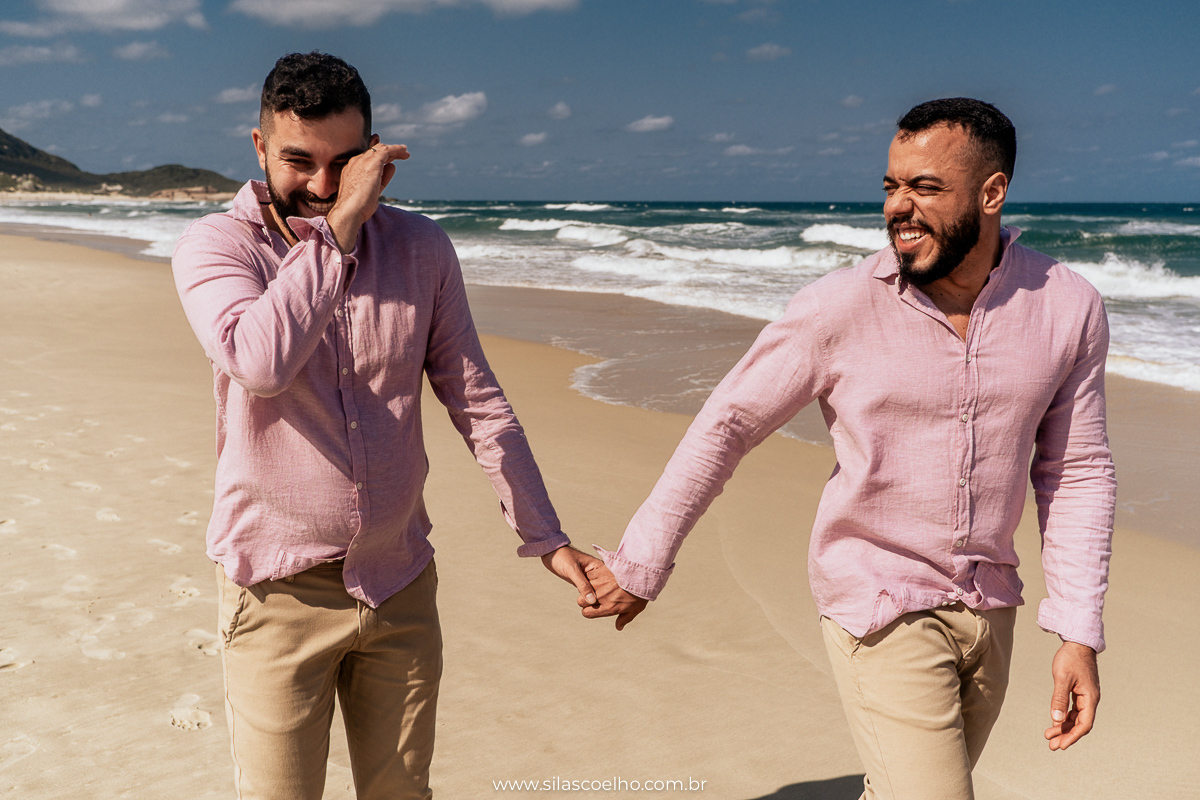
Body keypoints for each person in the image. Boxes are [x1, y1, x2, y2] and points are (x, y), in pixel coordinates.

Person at [580, 98, 1115, 800]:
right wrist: (641, 561)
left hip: (991, 605)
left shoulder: (1067, 306)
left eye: (925, 187)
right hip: (879, 601)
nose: (900, 207)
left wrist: (1077, 630)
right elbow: (728, 424)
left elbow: (1074, 469)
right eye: (891, 186)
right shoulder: (837, 307)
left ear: (992, 193)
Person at [171, 51, 597, 800]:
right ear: (259, 146)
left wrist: (546, 537)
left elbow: (477, 399)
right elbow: (259, 361)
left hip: (399, 586)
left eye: (344, 165)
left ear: (375, 156)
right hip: (276, 596)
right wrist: (334, 233)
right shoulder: (218, 246)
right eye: (299, 160)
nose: (321, 185)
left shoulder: (420, 248)